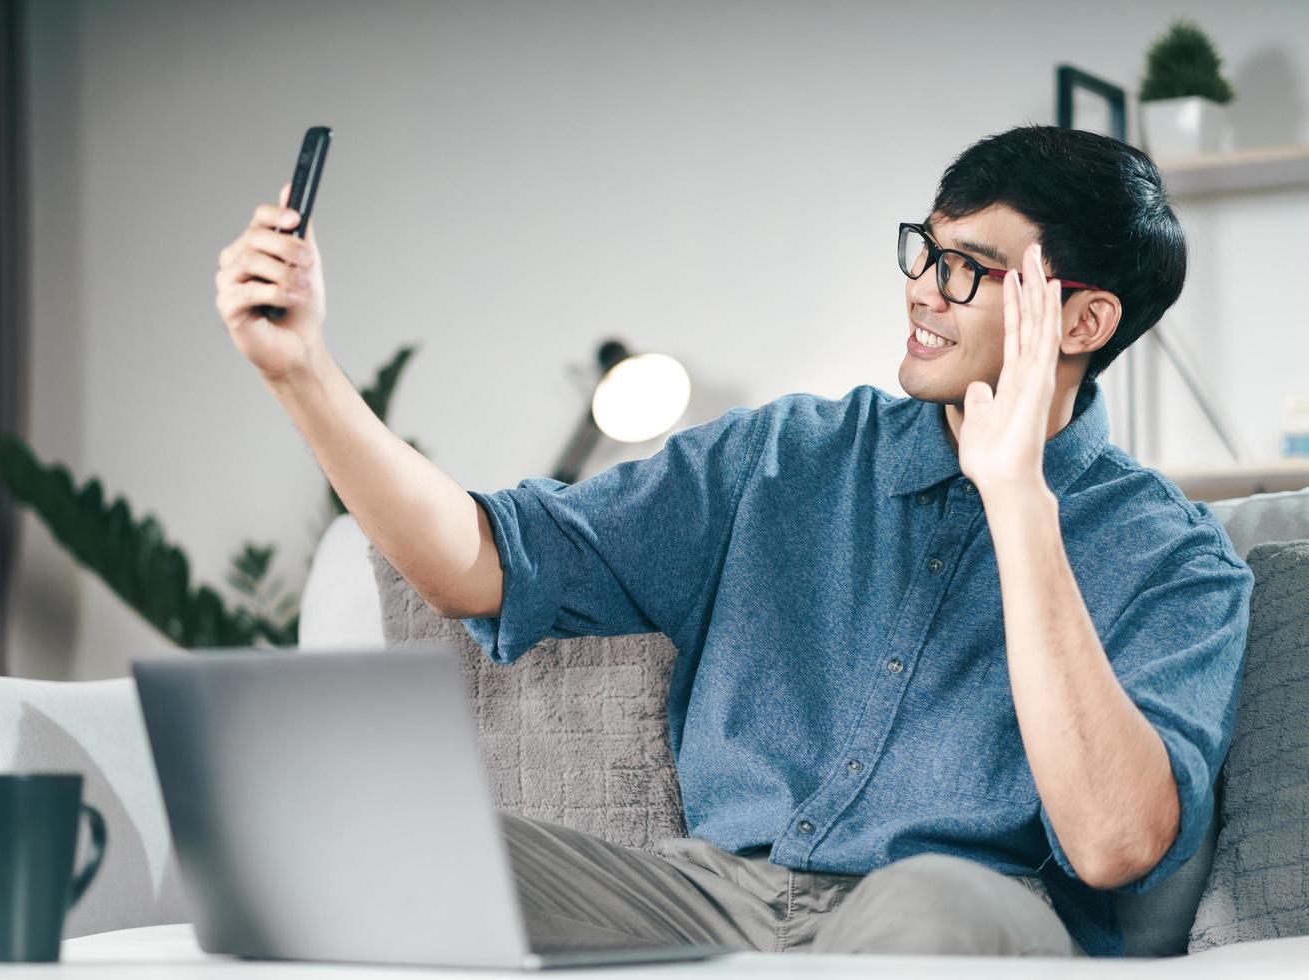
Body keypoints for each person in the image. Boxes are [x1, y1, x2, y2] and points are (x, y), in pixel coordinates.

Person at [213, 124, 1252, 958]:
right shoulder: (783, 458)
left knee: (929, 910)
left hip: (972, 907)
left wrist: (1017, 496)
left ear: (1083, 322)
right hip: (711, 893)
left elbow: (1117, 842)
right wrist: (300, 368)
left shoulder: (1174, 557)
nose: (925, 290)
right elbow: (478, 561)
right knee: (380, 854)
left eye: (972, 269)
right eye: (924, 250)